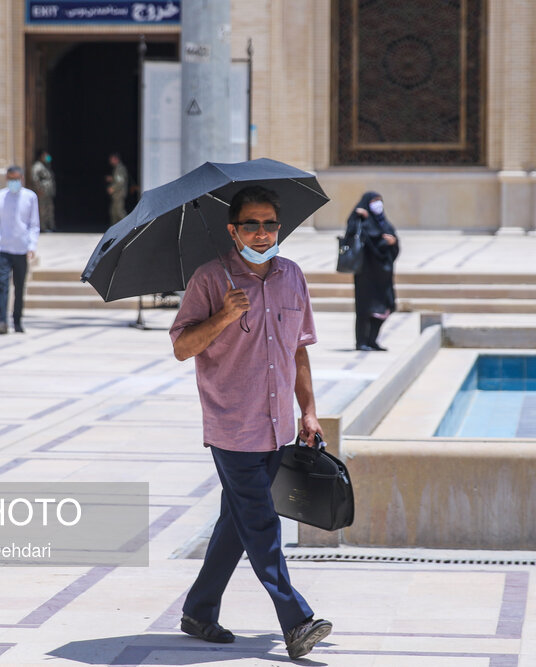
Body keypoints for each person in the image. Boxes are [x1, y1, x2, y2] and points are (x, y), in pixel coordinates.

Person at [169, 185, 333, 661]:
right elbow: (182, 347)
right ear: (232, 230)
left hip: (279, 426)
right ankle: (296, 619)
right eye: (251, 225)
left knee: (237, 523)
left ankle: (199, 611)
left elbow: (298, 348)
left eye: (270, 225)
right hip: (232, 427)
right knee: (261, 524)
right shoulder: (208, 279)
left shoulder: (292, 277)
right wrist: (223, 316)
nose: (262, 234)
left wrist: (308, 410)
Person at [0, 166, 39, 335]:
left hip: (21, 249)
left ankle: (17, 320)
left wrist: (32, 246)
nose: (13, 182)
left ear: (22, 178)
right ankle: (2, 321)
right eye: (10, 179)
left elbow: (34, 224)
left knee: (20, 286)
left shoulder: (30, 197)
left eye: (16, 179)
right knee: (3, 285)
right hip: (4, 248)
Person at [345, 191, 399, 351]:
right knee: (364, 309)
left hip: (383, 274)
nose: (378, 204)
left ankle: (372, 340)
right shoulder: (361, 220)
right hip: (366, 273)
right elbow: (351, 235)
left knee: (389, 305)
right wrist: (357, 217)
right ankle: (361, 342)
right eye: (374, 201)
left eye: (379, 200)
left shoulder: (384, 223)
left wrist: (393, 242)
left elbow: (393, 243)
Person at [31, 148, 56, 232]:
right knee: (42, 210)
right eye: (45, 155)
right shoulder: (37, 166)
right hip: (42, 192)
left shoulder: (46, 165)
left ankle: (50, 226)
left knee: (49, 209)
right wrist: (39, 189)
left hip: (48, 192)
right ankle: (43, 227)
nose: (47, 157)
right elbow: (35, 179)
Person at [106, 152, 129, 225]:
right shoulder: (117, 168)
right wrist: (112, 179)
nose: (110, 161)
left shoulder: (119, 168)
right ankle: (115, 230)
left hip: (119, 194)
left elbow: (120, 182)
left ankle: (127, 226)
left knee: (119, 212)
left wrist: (113, 188)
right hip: (117, 194)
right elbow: (118, 179)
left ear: (116, 159)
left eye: (112, 159)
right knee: (114, 212)